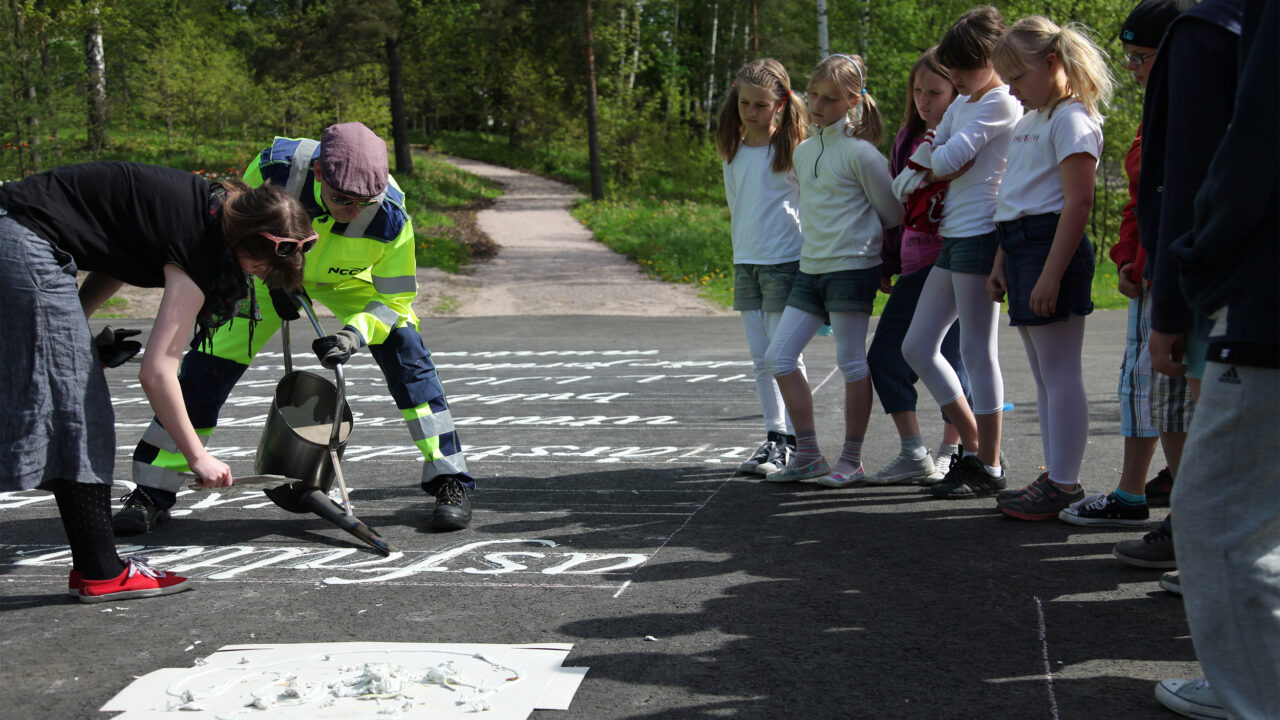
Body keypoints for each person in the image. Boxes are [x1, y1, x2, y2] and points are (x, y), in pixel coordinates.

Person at [118, 122, 476, 534]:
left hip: (348, 282)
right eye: (343, 199)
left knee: (409, 357)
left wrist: (354, 334)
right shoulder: (275, 171)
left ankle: (451, 479)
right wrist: (273, 279)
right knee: (205, 369)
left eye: (365, 202)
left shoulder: (393, 218)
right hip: (267, 273)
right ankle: (151, 490)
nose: (354, 210)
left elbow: (396, 300)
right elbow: (236, 234)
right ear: (320, 172)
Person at [0, 162, 310, 602]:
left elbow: (115, 254)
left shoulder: (203, 209)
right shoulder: (200, 249)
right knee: (79, 414)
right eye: (259, 267)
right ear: (244, 240)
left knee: (47, 392)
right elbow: (158, 370)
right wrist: (196, 457)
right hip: (22, 241)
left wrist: (78, 331)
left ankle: (98, 568)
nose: (258, 277)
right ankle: (102, 572)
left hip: (15, 231)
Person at [1155, 2, 1278, 716]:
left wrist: (1194, 271)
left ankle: (1259, 695)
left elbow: (1243, 142)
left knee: (1220, 516)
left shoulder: (1207, 31)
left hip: (1268, 300)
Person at [1059, 0, 1195, 529]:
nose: (1134, 70)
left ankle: (1188, 522)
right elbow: (1142, 202)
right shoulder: (1155, 114)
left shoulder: (1198, 110)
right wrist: (1127, 259)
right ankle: (1135, 494)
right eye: (1130, 59)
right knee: (1145, 389)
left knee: (1176, 394)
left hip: (1181, 279)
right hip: (1151, 276)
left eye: (1143, 58)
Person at [984, 16, 1112, 521]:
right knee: (1042, 375)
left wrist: (1051, 274)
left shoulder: (1071, 118)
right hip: (1021, 247)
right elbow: (1014, 197)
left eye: (1018, 78)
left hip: (1049, 248)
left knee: (1060, 374)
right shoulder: (1031, 120)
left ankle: (1064, 483)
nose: (1013, 91)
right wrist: (1001, 259)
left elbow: (1078, 204)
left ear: (1053, 63)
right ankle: (1058, 474)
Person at [762, 52, 902, 488]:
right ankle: (808, 455)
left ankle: (852, 459)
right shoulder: (803, 152)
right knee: (779, 357)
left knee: (851, 363)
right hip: (812, 268)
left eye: (831, 99)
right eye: (814, 95)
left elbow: (893, 212)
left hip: (852, 268)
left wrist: (880, 262)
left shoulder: (862, 154)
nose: (818, 105)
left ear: (854, 102)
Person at [899, 5, 1022, 499]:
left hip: (982, 234)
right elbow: (935, 147)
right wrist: (935, 158)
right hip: (954, 236)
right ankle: (974, 446)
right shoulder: (965, 99)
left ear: (991, 59)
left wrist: (934, 160)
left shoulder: (1000, 101)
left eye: (963, 70)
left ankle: (987, 463)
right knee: (916, 346)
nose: (956, 79)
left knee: (976, 350)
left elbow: (944, 158)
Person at [864, 47, 969, 486]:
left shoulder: (965, 133)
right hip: (913, 262)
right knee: (889, 354)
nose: (924, 99)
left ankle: (955, 450)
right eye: (918, 90)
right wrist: (888, 259)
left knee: (950, 356)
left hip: (954, 260)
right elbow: (895, 207)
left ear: (957, 92)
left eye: (935, 91)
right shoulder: (907, 138)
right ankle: (914, 450)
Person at [715, 58, 809, 478]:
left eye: (761, 105)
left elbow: (810, 207)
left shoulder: (792, 151)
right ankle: (774, 436)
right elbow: (737, 207)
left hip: (784, 263)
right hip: (747, 263)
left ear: (780, 105)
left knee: (783, 355)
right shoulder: (732, 152)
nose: (751, 112)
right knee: (759, 357)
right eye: (745, 103)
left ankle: (795, 441)